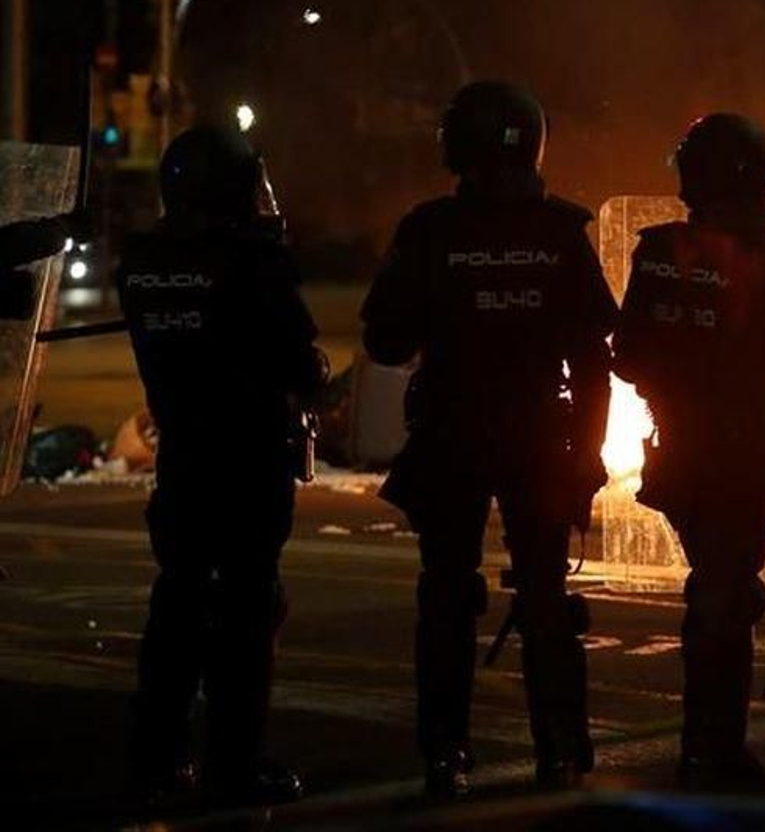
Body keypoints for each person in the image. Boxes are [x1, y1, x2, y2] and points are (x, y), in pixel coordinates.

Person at [361, 80, 615, 798]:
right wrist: (587, 454)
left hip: (451, 434)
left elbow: (384, 339)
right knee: (545, 597)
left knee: (445, 594)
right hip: (540, 437)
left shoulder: (429, 230)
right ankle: (559, 748)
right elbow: (596, 357)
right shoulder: (561, 232)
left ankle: (445, 753)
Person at [612, 112, 765, 793]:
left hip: (678, 453)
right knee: (725, 599)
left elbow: (627, 355)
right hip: (744, 461)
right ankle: (717, 754)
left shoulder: (656, 249)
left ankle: (702, 749)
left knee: (716, 593)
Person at [118, 124, 325, 807]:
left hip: (182, 456)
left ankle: (156, 754)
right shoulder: (254, 260)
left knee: (176, 599)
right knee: (246, 605)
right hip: (248, 459)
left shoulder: (144, 260)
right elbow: (300, 361)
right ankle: (236, 762)